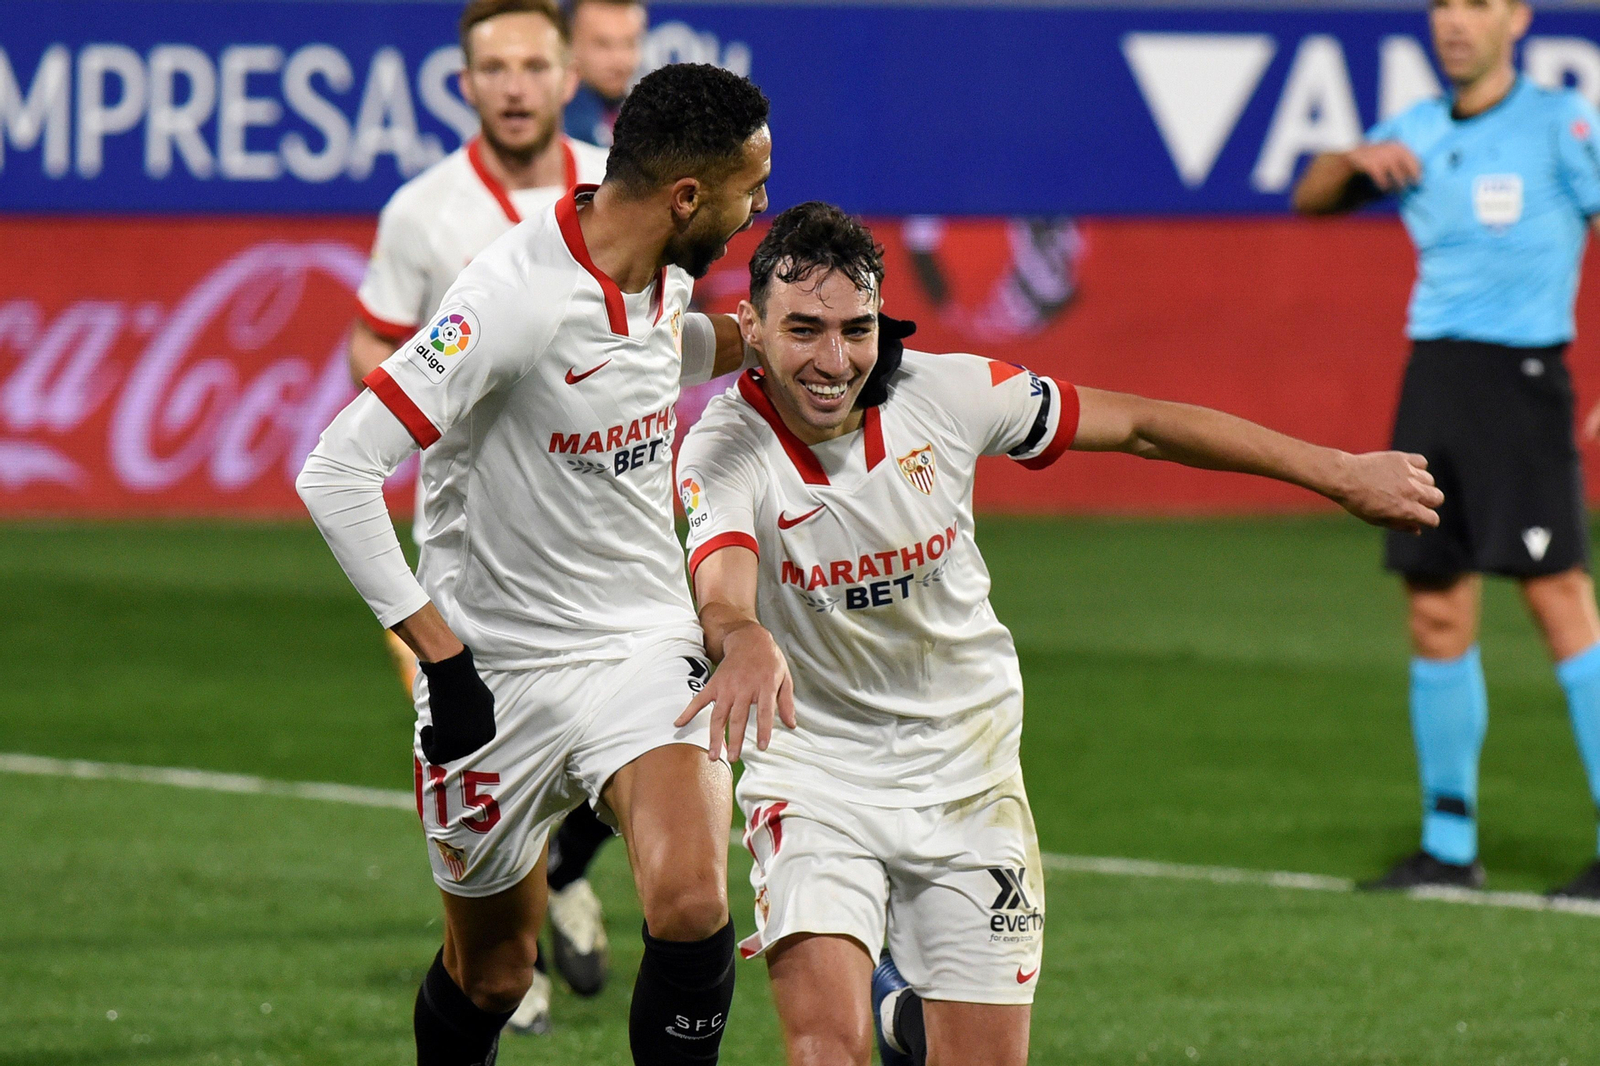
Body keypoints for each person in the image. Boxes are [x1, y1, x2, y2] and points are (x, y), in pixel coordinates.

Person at [673, 202, 1443, 1066]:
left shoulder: (952, 393)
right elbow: (723, 581)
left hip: (969, 771)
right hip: (818, 777)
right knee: (825, 1051)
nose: (831, 360)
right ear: (751, 324)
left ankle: (907, 1024)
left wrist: (1340, 472)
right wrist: (738, 634)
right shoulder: (722, 448)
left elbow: (1143, 424)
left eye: (856, 330)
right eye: (802, 329)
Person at [297, 62, 770, 1066]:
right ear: (688, 196)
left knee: (689, 899)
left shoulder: (657, 254)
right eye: (748, 189)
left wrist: (764, 341)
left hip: (640, 645)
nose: (757, 207)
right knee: (495, 975)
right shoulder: (511, 297)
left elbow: (638, 352)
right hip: (495, 674)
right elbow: (336, 471)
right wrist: (442, 659)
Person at [347, 0, 615, 1031]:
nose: (513, 84)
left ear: (565, 73)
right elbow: (370, 349)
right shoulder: (423, 212)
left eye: (531, 64)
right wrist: (441, 392)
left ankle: (563, 887)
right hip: (468, 550)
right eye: (492, 66)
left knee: (627, 743)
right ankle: (514, 956)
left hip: (601, 533)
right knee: (481, 754)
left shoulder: (617, 186)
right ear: (465, 83)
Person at [1293, 0, 1600, 898]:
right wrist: (1351, 161)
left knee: (1560, 603)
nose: (1454, 22)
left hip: (1524, 384)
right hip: (1434, 384)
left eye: (1477, 5)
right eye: (1443, 6)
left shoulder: (1561, 121)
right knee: (1434, 610)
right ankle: (1447, 847)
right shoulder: (1417, 128)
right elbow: (1312, 197)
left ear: (1518, 18)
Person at [564, 0, 648, 148]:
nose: (619, 60)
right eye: (603, 44)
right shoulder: (552, 124)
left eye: (629, 43)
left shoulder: (652, 117)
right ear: (570, 44)